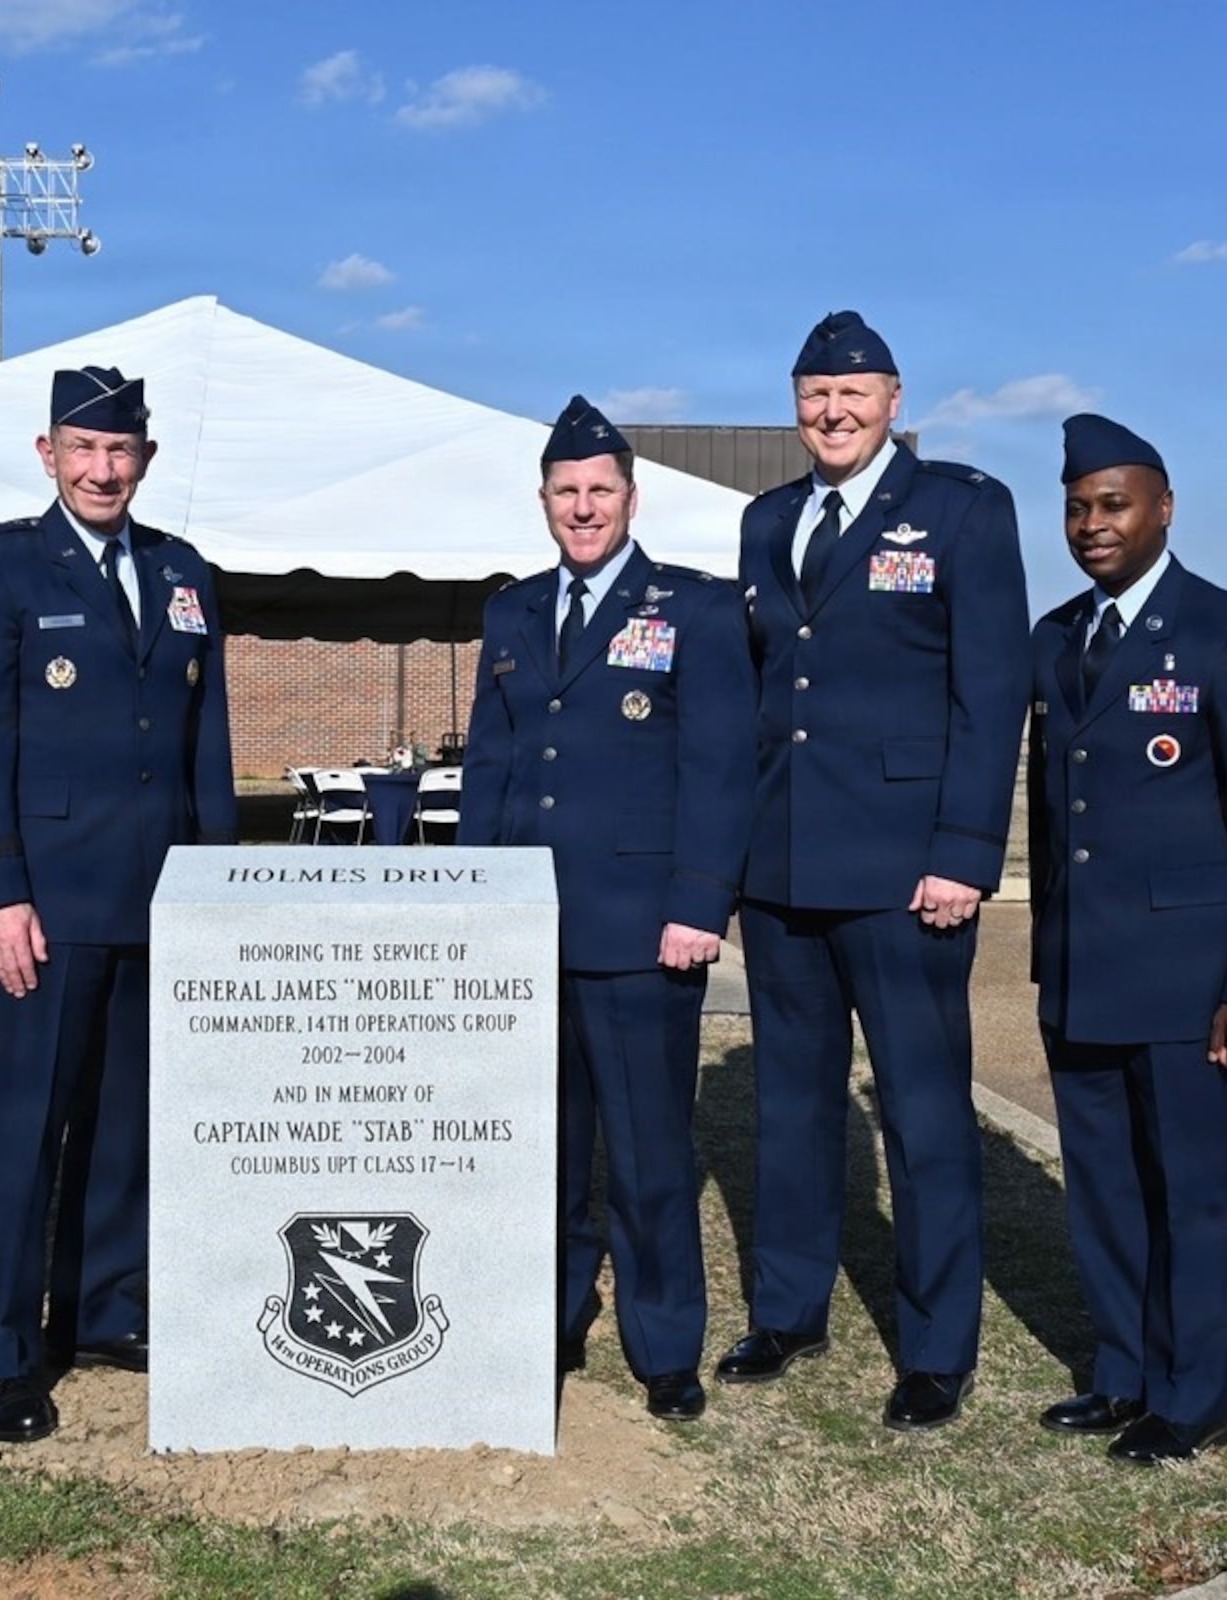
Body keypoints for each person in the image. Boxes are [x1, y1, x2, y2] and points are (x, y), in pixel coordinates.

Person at [721, 311, 1030, 1429]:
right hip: (781, 867)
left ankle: (936, 1347)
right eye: (811, 395)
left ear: (893, 399)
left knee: (921, 1110)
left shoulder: (959, 508)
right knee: (790, 1106)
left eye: (851, 393)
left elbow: (990, 695)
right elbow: (758, 701)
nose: (830, 412)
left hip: (907, 875)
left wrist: (962, 855)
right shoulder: (766, 522)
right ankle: (788, 1310)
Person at [0, 365, 236, 1443]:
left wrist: (217, 882)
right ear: (47, 454)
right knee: (23, 1133)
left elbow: (202, 741)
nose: (102, 468)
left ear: (145, 459)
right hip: (51, 900)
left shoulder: (182, 569)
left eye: (120, 451)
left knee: (129, 1124)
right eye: (83, 449)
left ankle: (103, 1308)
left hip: (161, 896)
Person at [458, 395, 756, 1421]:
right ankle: (546, 1317)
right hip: (526, 927)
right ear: (541, 500)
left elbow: (719, 771)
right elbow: (492, 768)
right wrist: (473, 897)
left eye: (599, 490)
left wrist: (697, 903)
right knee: (537, 1141)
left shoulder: (694, 609)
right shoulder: (509, 611)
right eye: (564, 492)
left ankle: (663, 1340)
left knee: (645, 1149)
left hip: (640, 930)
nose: (582, 508)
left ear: (631, 496)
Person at [1028, 413, 1227, 1465]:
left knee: (1188, 1192)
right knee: (1099, 1185)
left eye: (1112, 504)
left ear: (1162, 509)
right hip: (1080, 967)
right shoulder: (1053, 636)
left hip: (1189, 980)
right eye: (1076, 507)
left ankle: (1193, 1398)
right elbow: (1061, 819)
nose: (1091, 525)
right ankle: (1121, 1375)